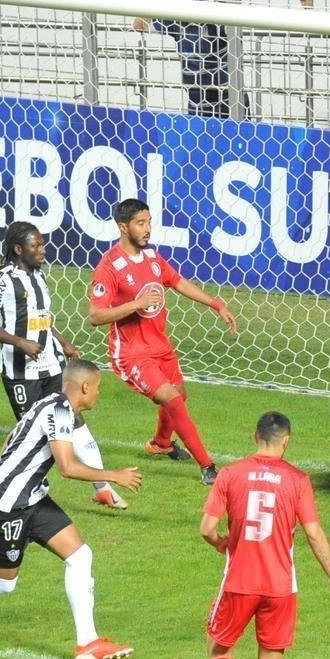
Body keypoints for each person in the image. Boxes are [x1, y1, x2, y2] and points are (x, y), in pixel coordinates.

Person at [0, 360, 142, 659]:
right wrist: (113, 476)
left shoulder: (51, 402)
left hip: (32, 500)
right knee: (3, 583)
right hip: (3, 507)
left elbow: (12, 437)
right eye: (98, 388)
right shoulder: (59, 410)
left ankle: (87, 642)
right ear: (85, 387)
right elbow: (67, 467)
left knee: (80, 555)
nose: (99, 394)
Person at [200, 411, 330, 659]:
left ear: (255, 437)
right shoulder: (298, 479)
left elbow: (206, 527)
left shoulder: (231, 474)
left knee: (218, 651)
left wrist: (221, 542)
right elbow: (313, 532)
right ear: (286, 441)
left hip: (239, 581)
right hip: (281, 587)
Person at [88, 198, 238, 485]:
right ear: (123, 227)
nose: (148, 229)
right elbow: (95, 315)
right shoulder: (109, 266)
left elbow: (178, 282)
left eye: (149, 222)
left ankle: (161, 443)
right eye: (140, 223)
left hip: (159, 346)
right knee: (171, 399)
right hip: (131, 354)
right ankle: (208, 467)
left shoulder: (152, 258)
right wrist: (137, 303)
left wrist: (216, 305)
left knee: (179, 396)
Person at [0, 222, 127, 510]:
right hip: (21, 372)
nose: (43, 250)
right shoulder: (1, 279)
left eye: (43, 244)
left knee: (74, 419)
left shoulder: (40, 276)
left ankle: (102, 487)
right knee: (28, 431)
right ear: (18, 249)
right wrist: (20, 343)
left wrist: (62, 340)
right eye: (36, 246)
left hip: (51, 364)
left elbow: (42, 317)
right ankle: (8, 480)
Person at [133, 0, 312, 118]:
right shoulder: (178, 22)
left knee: (241, 142)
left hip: (231, 97)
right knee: (201, 150)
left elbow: (239, 15)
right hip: (198, 100)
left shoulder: (220, 17)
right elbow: (139, 25)